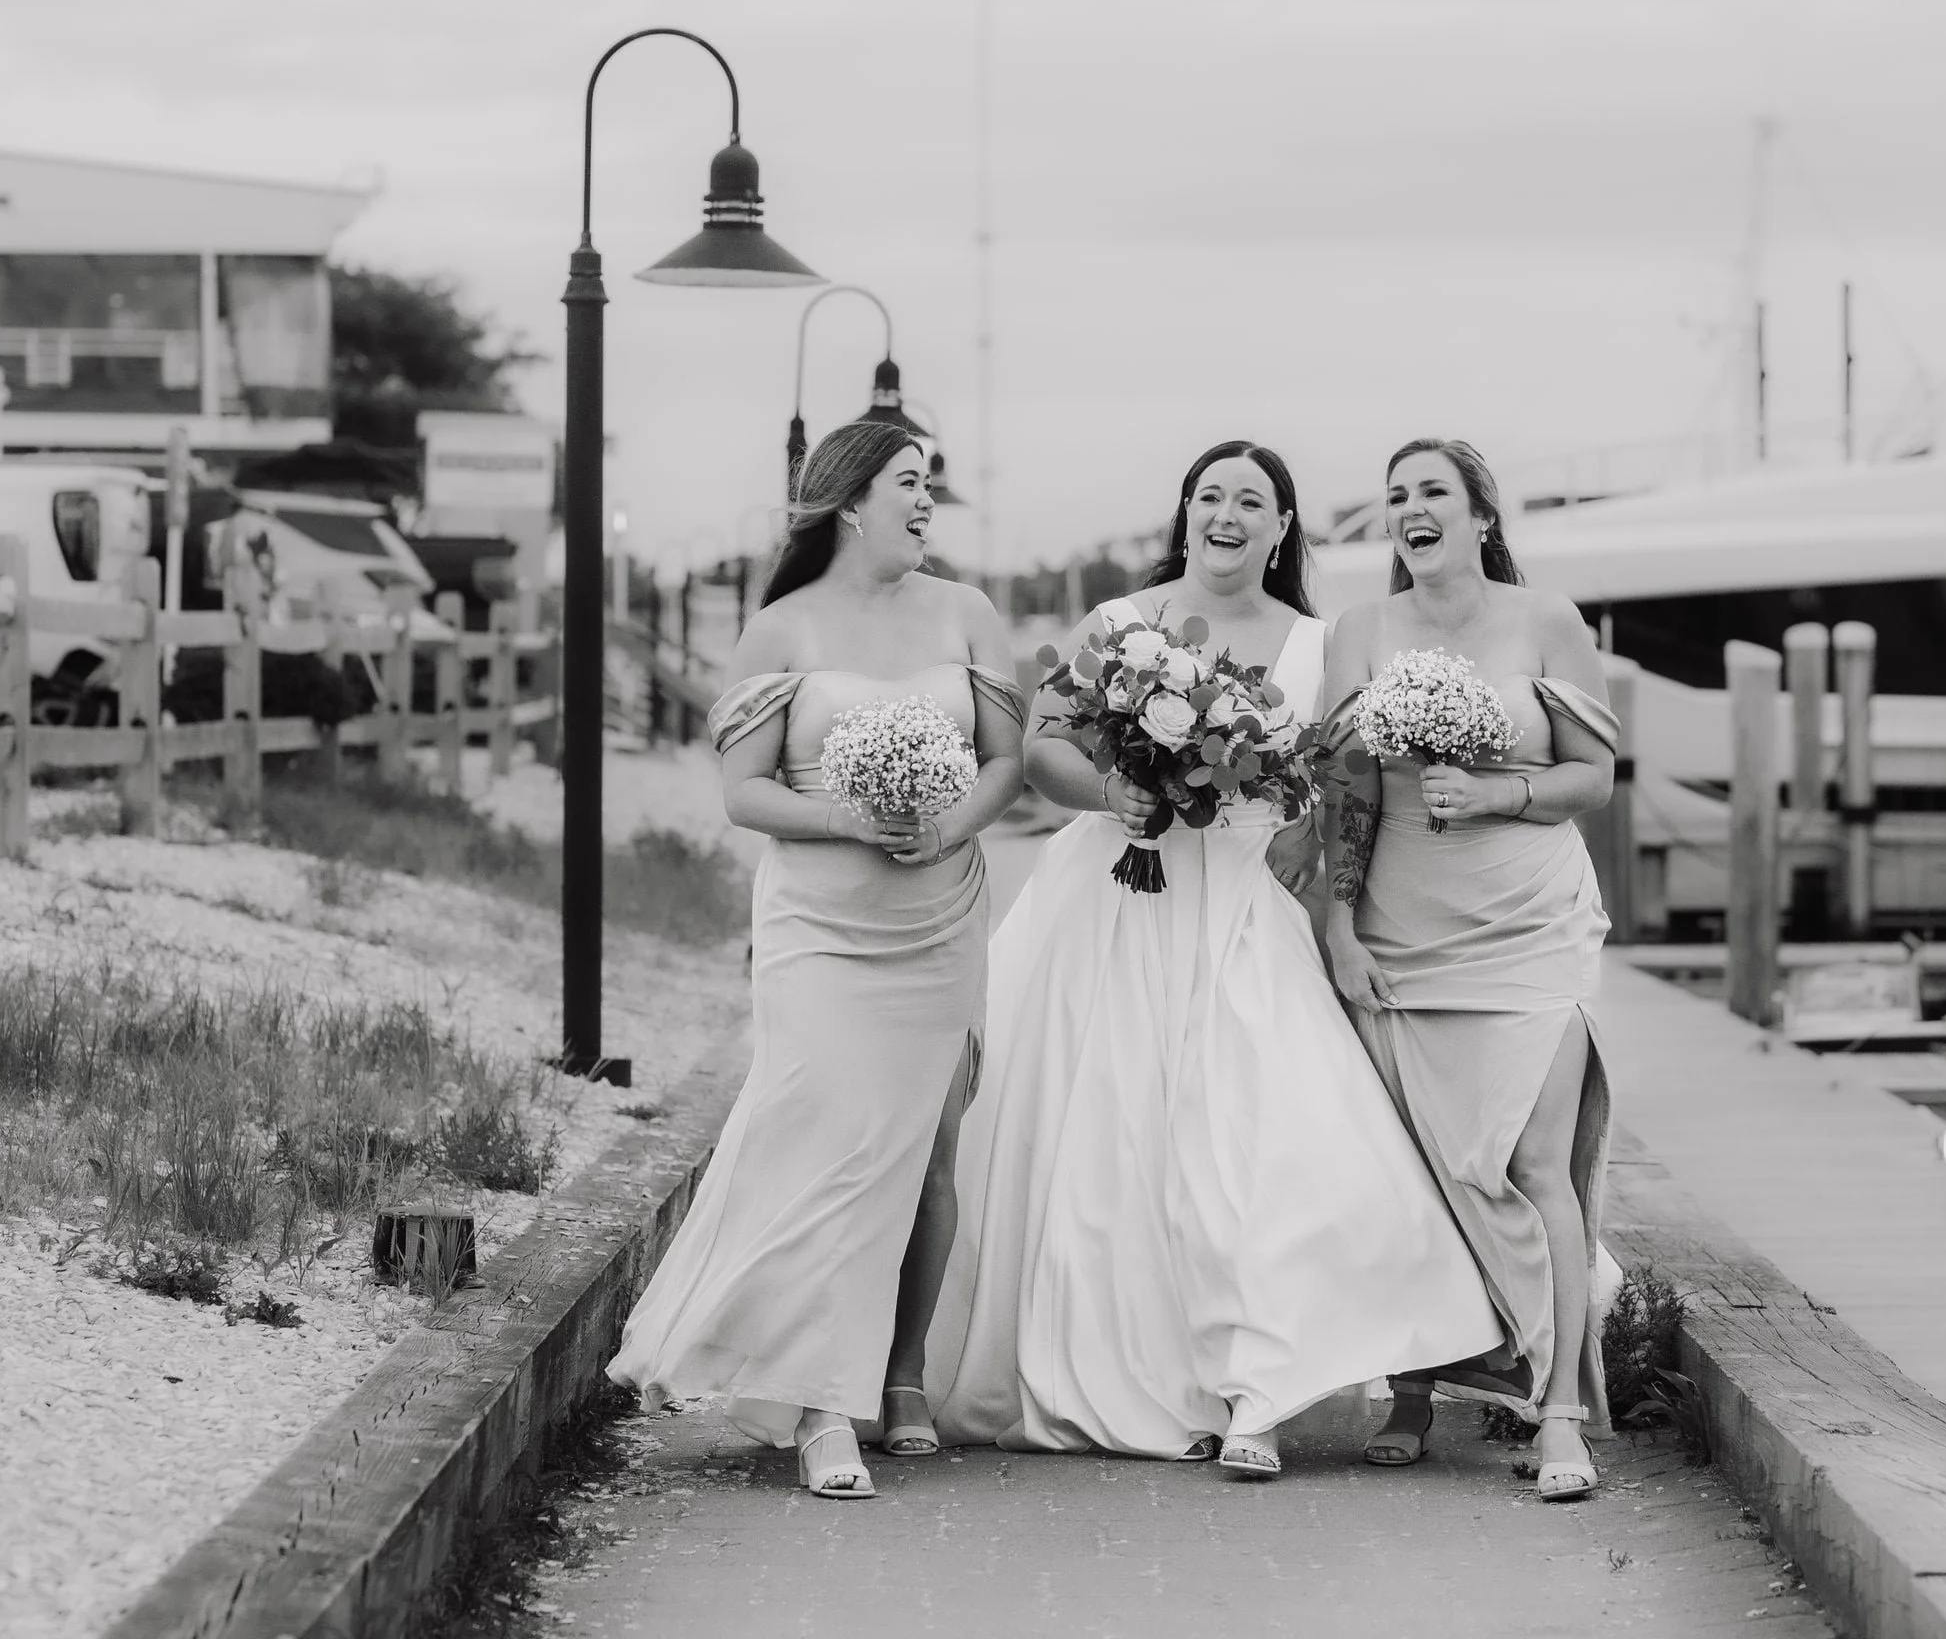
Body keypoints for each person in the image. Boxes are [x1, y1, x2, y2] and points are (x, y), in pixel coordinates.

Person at [927, 441, 1500, 1479]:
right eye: (1210, 496)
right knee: (1112, 1145)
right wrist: (1115, 792)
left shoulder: (1321, 641)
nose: (1227, 513)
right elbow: (1046, 748)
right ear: (1183, 513)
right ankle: (1145, 1368)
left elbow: (1342, 780)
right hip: (1116, 900)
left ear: (1283, 528)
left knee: (1263, 1142)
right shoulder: (1117, 623)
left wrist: (1332, 899)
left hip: (1247, 898)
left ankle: (1256, 1390)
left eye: (1253, 500)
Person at [607, 423, 1027, 1499]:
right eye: (908, 482)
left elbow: (1006, 760)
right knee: (831, 1151)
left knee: (923, 1154)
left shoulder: (966, 612)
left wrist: (944, 829)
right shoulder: (779, 629)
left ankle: (898, 1377)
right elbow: (744, 791)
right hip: (819, 931)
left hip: (938, 919)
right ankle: (819, 1407)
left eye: (930, 483)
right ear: (848, 500)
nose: (927, 501)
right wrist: (849, 814)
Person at [1320, 437, 1620, 1503]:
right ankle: (1408, 1389)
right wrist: (1340, 921)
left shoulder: (1547, 622)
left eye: (1431, 491)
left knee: (1536, 1168)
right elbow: (1345, 791)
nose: (1409, 507)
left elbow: (1595, 775)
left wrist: (1498, 793)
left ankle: (1560, 1413)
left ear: (1481, 517)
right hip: (1404, 931)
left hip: (1529, 927)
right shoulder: (1362, 631)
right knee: (1413, 1168)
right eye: (1394, 494)